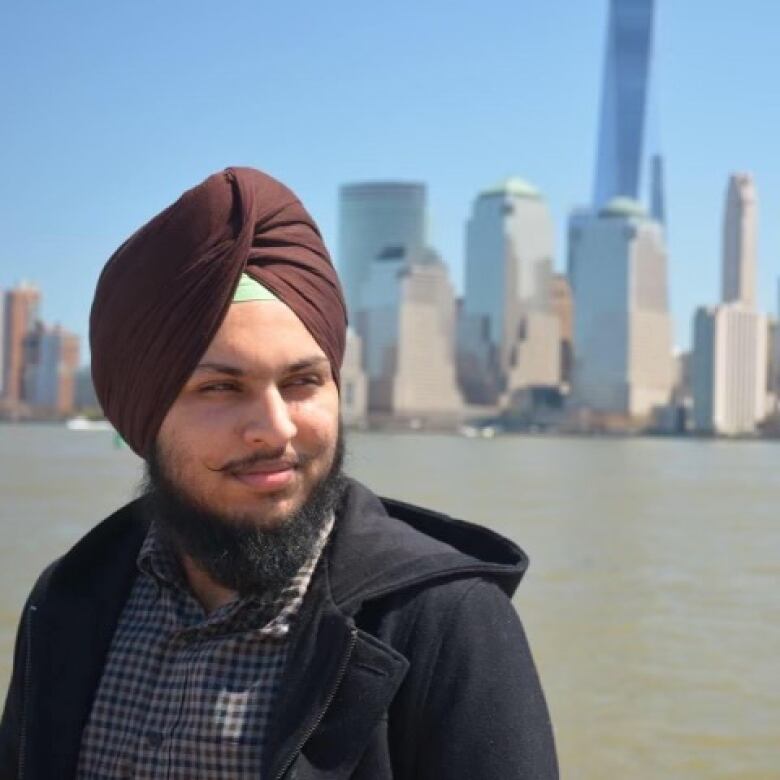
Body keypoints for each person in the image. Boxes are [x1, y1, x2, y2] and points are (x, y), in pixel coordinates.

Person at [0, 167, 558, 778]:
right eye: (219, 387)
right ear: (144, 416)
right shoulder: (68, 598)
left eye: (302, 382)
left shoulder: (447, 624)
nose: (277, 428)